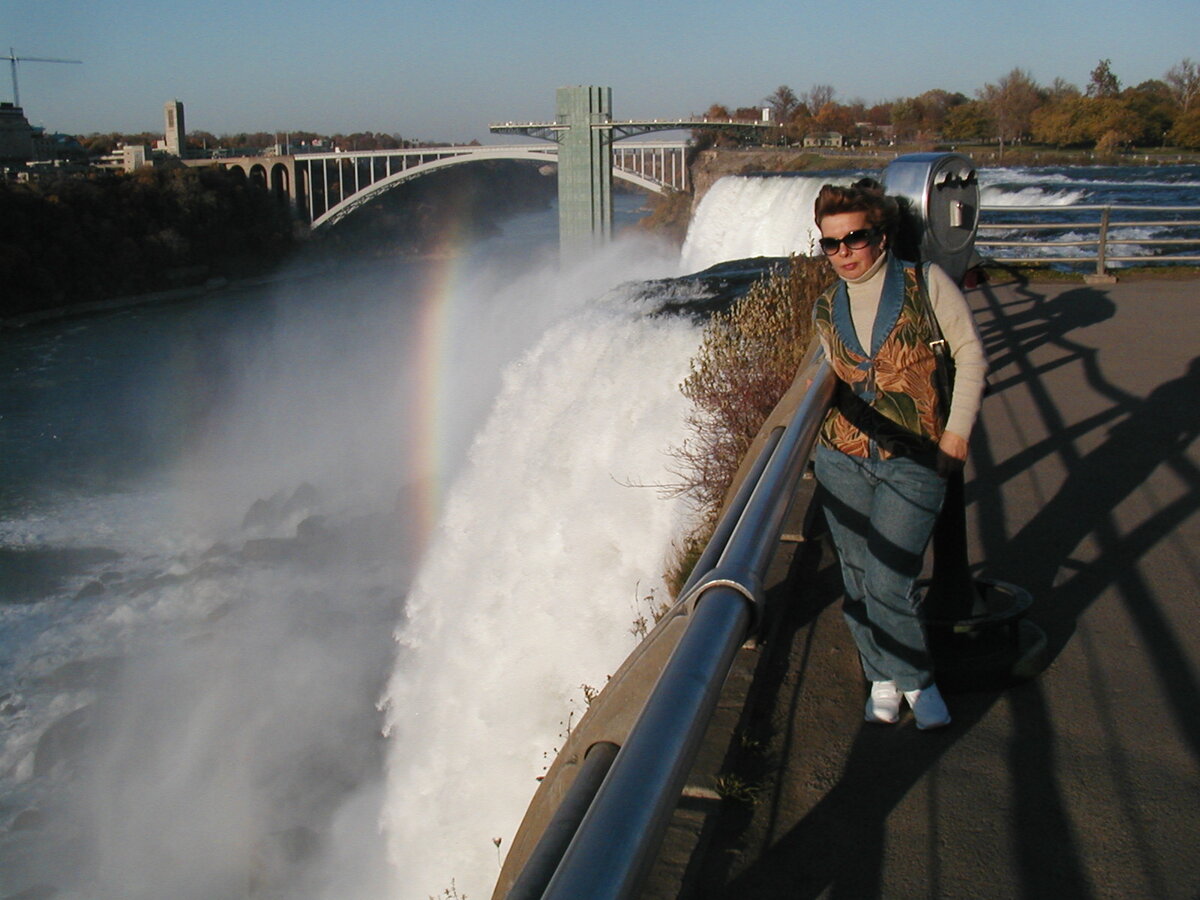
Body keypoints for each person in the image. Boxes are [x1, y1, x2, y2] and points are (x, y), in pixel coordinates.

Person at [810, 178, 987, 730]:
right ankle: (881, 676)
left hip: (915, 457)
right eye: (830, 244)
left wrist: (956, 434)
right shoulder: (825, 305)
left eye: (854, 239)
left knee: (891, 578)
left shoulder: (925, 282)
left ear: (881, 236)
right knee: (858, 576)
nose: (843, 254)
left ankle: (916, 679)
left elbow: (972, 355)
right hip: (842, 455)